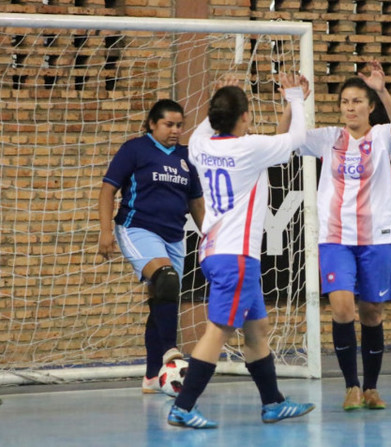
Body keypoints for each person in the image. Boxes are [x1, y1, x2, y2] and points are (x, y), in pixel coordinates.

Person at [166, 75, 314, 429]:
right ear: (245, 117)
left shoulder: (201, 145)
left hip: (216, 250)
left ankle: (273, 402)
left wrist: (217, 96)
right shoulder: (248, 149)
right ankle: (183, 407)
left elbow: (275, 141)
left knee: (257, 327)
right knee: (218, 330)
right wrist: (295, 97)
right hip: (235, 256)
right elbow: (296, 140)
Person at [279, 61, 391, 411]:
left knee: (371, 312)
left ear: (369, 106)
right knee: (342, 307)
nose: (350, 108)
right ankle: (350, 385)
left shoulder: (381, 136)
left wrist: (382, 90)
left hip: (377, 238)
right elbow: (284, 141)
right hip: (335, 238)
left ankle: (371, 388)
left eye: (356, 101)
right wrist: (293, 103)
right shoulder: (329, 138)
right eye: (344, 102)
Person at [98, 99, 205, 394]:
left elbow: (195, 200)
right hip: (137, 227)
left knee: (161, 299)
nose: (175, 130)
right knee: (166, 279)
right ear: (152, 124)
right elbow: (108, 189)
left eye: (179, 125)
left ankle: (150, 377)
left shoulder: (186, 157)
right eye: (168, 124)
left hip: (174, 236)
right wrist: (106, 231)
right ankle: (171, 351)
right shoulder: (135, 149)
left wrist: (209, 235)